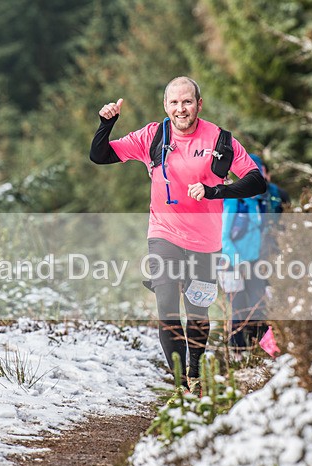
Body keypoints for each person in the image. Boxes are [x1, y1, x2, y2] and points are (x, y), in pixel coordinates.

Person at [89, 76, 266, 395]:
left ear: (199, 104)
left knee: (197, 312)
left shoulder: (220, 140)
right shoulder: (153, 136)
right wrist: (106, 124)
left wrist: (216, 191)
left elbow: (256, 181)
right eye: (174, 102)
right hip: (163, 235)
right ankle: (181, 382)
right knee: (168, 306)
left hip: (206, 243)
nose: (181, 109)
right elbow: (100, 156)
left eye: (187, 102)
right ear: (165, 106)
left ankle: (195, 368)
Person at [220, 188, 267, 361]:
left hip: (254, 261)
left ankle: (261, 349)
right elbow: (223, 237)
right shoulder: (233, 202)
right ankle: (237, 353)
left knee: (259, 304)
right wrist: (237, 261)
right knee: (238, 307)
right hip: (230, 263)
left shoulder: (257, 202)